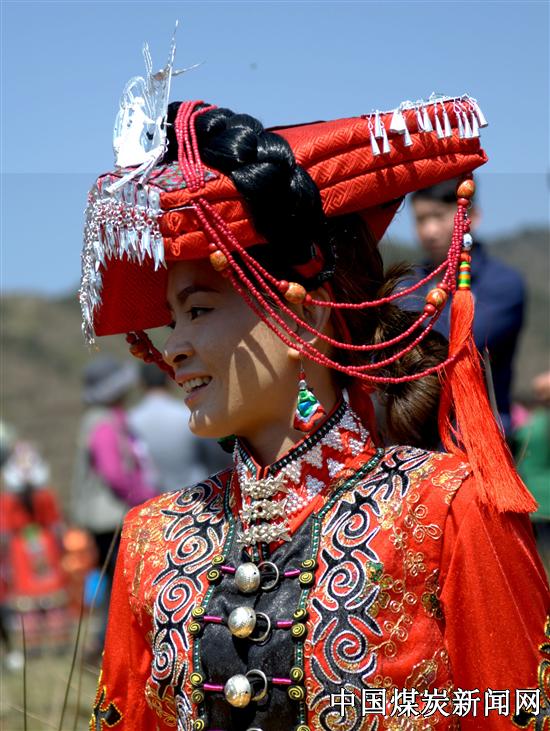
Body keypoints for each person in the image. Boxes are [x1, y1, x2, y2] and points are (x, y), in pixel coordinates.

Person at [80, 44, 549, 731]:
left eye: (199, 310)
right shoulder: (153, 538)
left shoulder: (443, 511)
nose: (173, 346)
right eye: (172, 319)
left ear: (307, 313)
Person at [408, 179, 526, 439]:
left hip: (482, 435)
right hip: (416, 437)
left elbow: (454, 345)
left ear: (472, 217)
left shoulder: (503, 283)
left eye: (439, 216)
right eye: (420, 219)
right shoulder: (406, 285)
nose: (429, 230)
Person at [71, 356, 157, 656]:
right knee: (118, 585)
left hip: (106, 516)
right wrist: (146, 497)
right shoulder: (104, 424)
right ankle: (108, 645)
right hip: (110, 518)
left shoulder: (100, 420)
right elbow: (114, 473)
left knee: (113, 584)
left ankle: (107, 644)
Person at [0, 442, 71, 655]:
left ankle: (42, 643)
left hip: (26, 546)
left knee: (39, 594)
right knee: (40, 594)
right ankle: (40, 643)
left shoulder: (16, 498)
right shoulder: (40, 495)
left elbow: (5, 530)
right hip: (37, 544)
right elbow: (56, 524)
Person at [129, 363, 231, 493]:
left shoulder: (131, 420)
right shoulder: (189, 415)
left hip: (156, 498)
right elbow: (216, 457)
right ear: (169, 379)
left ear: (140, 383)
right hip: (199, 493)